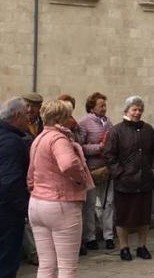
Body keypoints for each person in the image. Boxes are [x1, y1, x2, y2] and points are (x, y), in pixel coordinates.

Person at [29, 99, 95, 278]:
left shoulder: (39, 138)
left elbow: (30, 174)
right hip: (61, 203)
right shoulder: (58, 138)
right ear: (62, 118)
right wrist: (81, 179)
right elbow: (68, 164)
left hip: (37, 203)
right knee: (67, 267)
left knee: (46, 265)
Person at [0, 97, 33, 278]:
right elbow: (11, 181)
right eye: (26, 115)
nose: (28, 119)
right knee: (5, 260)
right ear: (17, 116)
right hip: (4, 209)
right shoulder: (10, 141)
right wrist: (25, 208)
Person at [105, 95, 154, 260]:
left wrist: (153, 169)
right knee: (123, 216)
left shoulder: (148, 129)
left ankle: (142, 246)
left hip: (145, 181)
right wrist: (119, 172)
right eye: (134, 109)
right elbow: (109, 155)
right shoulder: (116, 131)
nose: (137, 112)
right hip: (125, 182)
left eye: (140, 109)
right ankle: (124, 247)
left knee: (144, 215)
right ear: (127, 110)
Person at [79, 91, 115, 251]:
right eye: (101, 105)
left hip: (107, 169)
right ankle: (90, 237)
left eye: (105, 105)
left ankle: (109, 235)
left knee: (108, 203)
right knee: (91, 204)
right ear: (92, 107)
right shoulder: (84, 123)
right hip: (91, 170)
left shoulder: (108, 122)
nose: (104, 108)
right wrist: (99, 147)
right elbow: (80, 146)